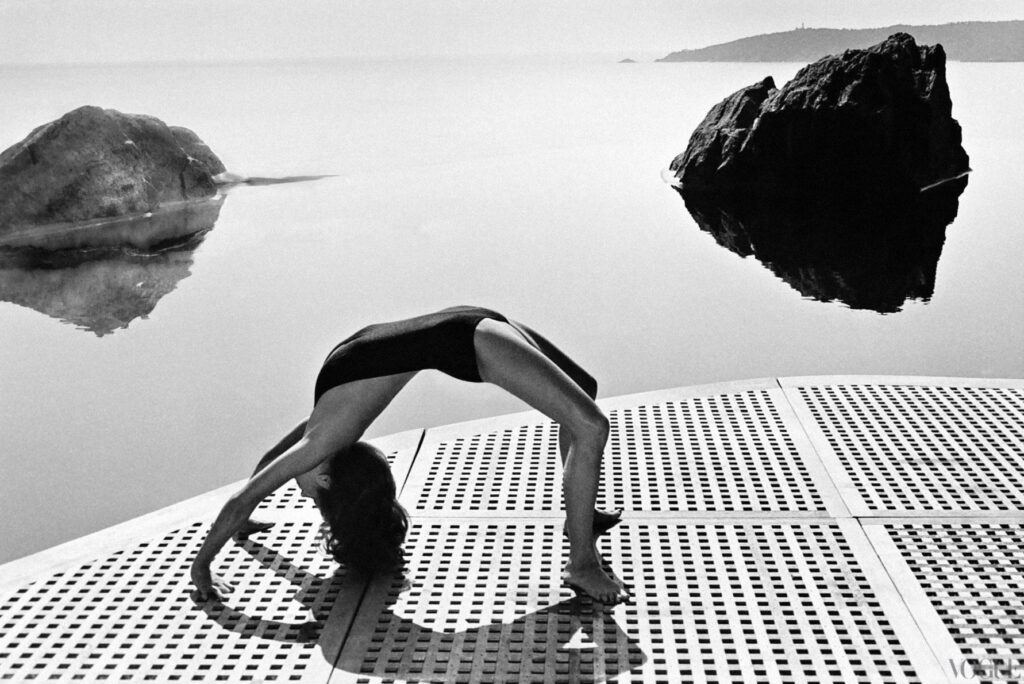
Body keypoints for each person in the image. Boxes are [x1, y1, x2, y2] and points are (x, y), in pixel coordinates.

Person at [190, 306, 629, 603]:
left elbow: (244, 496)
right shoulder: (332, 432)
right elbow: (263, 474)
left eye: (308, 495)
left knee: (588, 422)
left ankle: (580, 556)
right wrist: (245, 515)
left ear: (325, 479)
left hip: (468, 335)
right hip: (455, 328)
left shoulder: (323, 442)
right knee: (586, 407)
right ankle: (582, 539)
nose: (297, 485)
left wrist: (202, 569)